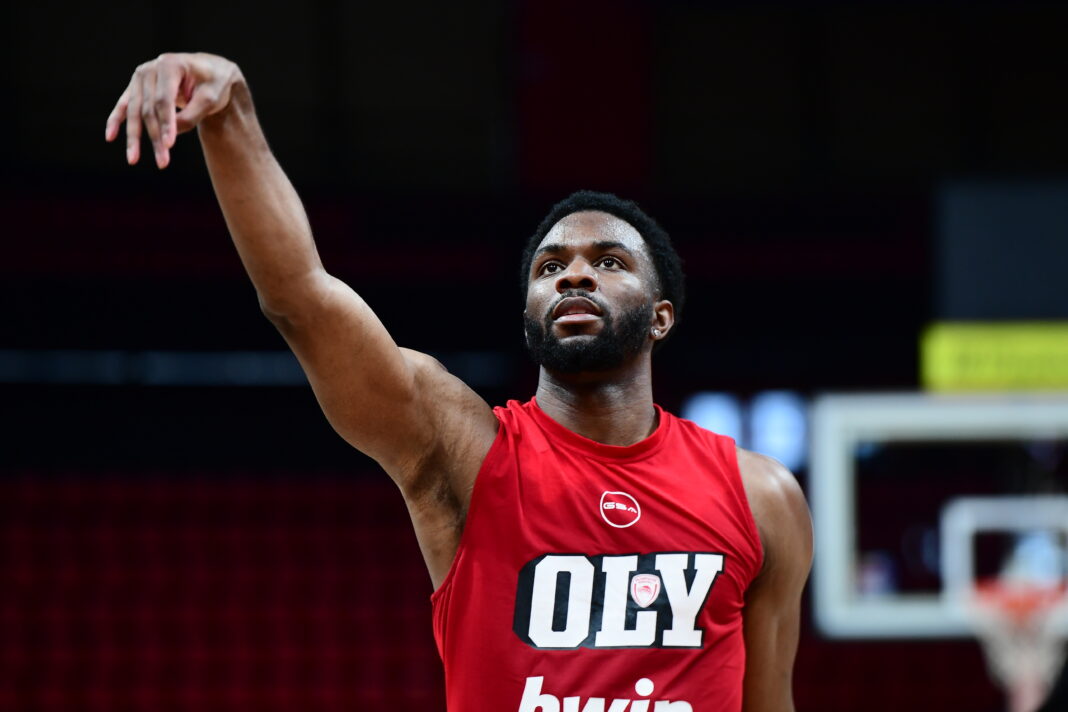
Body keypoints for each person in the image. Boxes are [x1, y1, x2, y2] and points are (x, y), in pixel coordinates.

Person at [106, 53, 813, 712]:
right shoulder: (464, 451)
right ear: (529, 314)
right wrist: (231, 113)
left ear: (661, 316)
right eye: (549, 267)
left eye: (609, 262)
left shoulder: (763, 499)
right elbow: (301, 298)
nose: (573, 274)